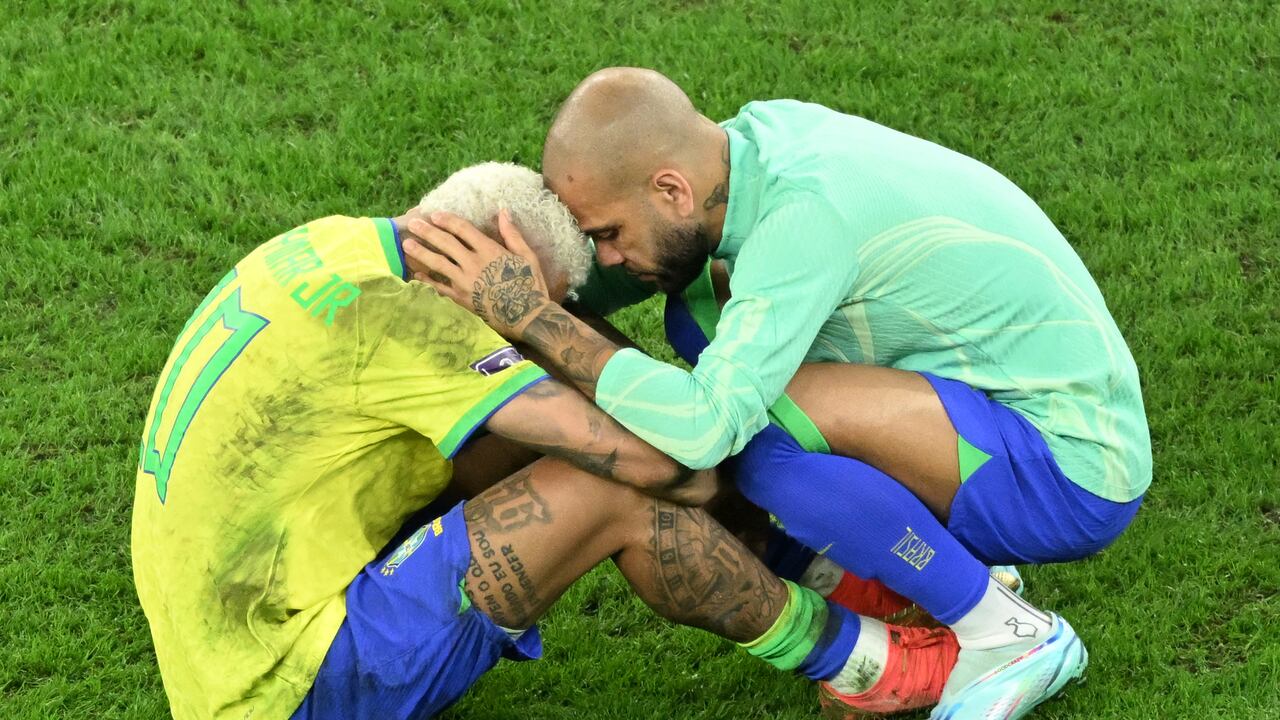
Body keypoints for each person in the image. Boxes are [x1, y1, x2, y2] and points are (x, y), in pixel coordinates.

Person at [404, 68, 1151, 720]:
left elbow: (703, 431)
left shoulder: (801, 222)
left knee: (753, 437)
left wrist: (533, 318)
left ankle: (1007, 635)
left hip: (1069, 473)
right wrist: (506, 262)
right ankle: (914, 575)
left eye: (607, 233)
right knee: (697, 314)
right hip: (990, 415)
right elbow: (642, 265)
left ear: (670, 187)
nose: (607, 257)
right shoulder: (742, 156)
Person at [131, 162, 954, 720]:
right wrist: (534, 319)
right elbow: (673, 467)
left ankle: (833, 572)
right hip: (282, 688)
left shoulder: (337, 247)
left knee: (566, 395)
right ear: (496, 256)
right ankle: (868, 666)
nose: (538, 321)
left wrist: (541, 324)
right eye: (529, 298)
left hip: (230, 629)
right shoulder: (410, 328)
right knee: (617, 483)